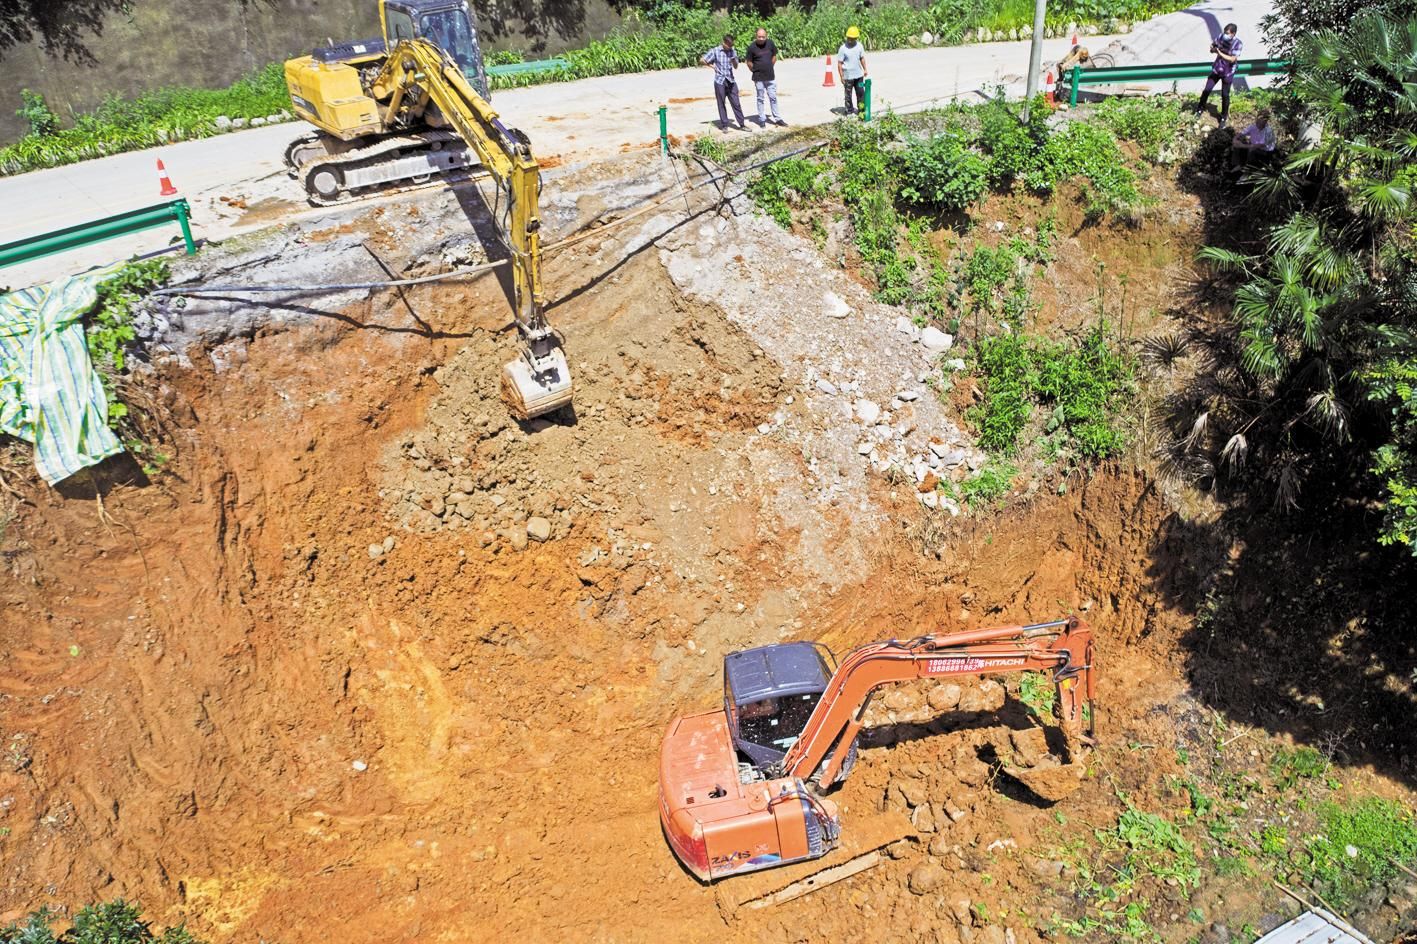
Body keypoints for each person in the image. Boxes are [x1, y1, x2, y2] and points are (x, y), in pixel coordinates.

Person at [1198, 22, 1243, 127]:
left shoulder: (1238, 43)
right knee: (1207, 90)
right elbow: (1213, 46)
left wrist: (1219, 53)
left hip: (1228, 72)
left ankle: (1223, 117)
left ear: (1233, 34)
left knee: (1225, 95)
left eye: (1227, 33)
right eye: (1224, 32)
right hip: (1217, 69)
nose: (1225, 35)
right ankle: (1200, 109)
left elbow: (1232, 59)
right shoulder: (1220, 37)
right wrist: (1213, 49)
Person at [701, 33, 748, 132]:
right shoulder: (715, 51)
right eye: (729, 45)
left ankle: (742, 124)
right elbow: (702, 60)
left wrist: (734, 60)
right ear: (724, 43)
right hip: (720, 81)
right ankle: (725, 125)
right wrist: (711, 66)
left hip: (731, 80)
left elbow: (736, 67)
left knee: (736, 103)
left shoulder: (732, 51)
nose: (730, 47)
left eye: (731, 45)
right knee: (721, 103)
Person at [745, 27, 786, 127]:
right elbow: (749, 62)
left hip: (770, 77)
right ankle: (762, 119)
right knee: (760, 98)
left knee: (773, 97)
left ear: (766, 36)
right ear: (756, 36)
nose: (761, 38)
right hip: (758, 78)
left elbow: (774, 56)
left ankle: (778, 118)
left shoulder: (770, 43)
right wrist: (755, 70)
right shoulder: (751, 47)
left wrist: (769, 66)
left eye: (763, 37)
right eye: (759, 37)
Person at [837, 26, 868, 117]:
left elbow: (862, 58)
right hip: (848, 76)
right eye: (849, 38)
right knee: (848, 95)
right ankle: (849, 111)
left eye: (853, 38)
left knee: (861, 93)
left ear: (856, 38)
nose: (850, 40)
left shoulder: (859, 46)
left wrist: (865, 69)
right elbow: (839, 63)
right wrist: (841, 76)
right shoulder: (843, 48)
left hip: (859, 75)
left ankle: (861, 110)